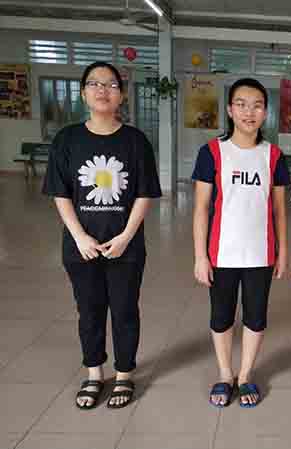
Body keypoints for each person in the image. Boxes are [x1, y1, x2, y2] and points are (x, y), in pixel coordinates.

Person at [42, 61, 162, 409]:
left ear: (121, 95)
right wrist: (79, 236)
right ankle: (94, 373)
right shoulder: (67, 140)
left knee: (124, 311)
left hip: (126, 247)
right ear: (83, 93)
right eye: (94, 83)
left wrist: (125, 236)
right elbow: (61, 193)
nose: (102, 90)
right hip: (81, 247)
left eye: (111, 84)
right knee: (90, 311)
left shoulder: (135, 141)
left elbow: (144, 193)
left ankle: (124, 374)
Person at [192, 78, 290, 408]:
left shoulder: (273, 156)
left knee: (255, 317)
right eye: (242, 104)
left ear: (265, 112)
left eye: (257, 105)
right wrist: (200, 256)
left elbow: (279, 211)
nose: (250, 112)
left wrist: (283, 252)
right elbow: (201, 209)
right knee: (221, 316)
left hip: (260, 254)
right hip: (221, 254)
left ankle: (245, 374)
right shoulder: (211, 152)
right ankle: (225, 373)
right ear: (230, 110)